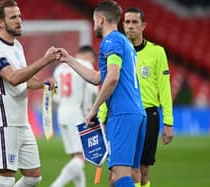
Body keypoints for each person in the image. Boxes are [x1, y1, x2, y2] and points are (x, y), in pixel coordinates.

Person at [57, 1, 147, 187]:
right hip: (136, 113)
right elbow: (100, 77)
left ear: (101, 19)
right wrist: (69, 59)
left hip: (122, 114)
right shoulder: (124, 42)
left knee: (120, 176)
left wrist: (93, 109)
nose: (94, 26)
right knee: (121, 176)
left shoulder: (111, 41)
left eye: (94, 21)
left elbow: (112, 78)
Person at [0, 1, 59, 187]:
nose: (19, 21)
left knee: (34, 177)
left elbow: (25, 78)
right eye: (13, 17)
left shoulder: (17, 46)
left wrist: (42, 84)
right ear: (1, 22)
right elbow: (14, 78)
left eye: (20, 16)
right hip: (4, 122)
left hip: (22, 123)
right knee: (6, 178)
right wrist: (45, 60)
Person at [99, 7, 174, 187]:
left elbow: (164, 88)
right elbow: (108, 82)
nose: (130, 26)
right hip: (119, 114)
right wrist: (102, 114)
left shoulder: (157, 52)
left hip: (148, 115)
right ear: (122, 25)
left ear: (143, 26)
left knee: (141, 171)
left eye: (135, 22)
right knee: (115, 172)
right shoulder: (118, 49)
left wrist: (168, 122)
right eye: (127, 22)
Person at [51, 46, 99, 187]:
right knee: (81, 157)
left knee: (75, 156)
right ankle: (56, 185)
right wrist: (91, 115)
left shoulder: (59, 69)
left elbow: (56, 97)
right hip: (78, 114)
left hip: (62, 113)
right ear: (89, 56)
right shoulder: (86, 65)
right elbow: (92, 92)